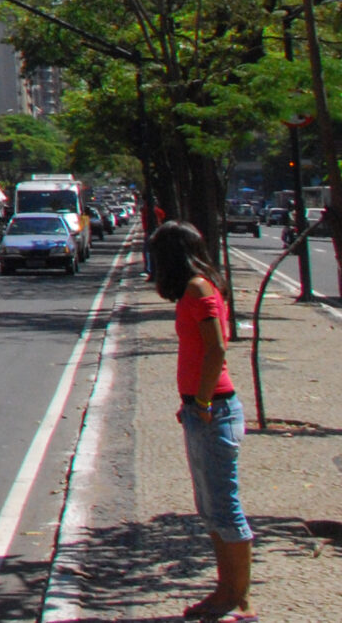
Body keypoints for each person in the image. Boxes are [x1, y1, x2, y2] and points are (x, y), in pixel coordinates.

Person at [152, 221, 251, 619]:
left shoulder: (197, 287)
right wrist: (192, 402)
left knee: (225, 508)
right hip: (200, 408)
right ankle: (225, 590)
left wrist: (205, 401)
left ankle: (239, 599)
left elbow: (217, 349)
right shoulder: (196, 287)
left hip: (215, 409)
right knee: (210, 509)